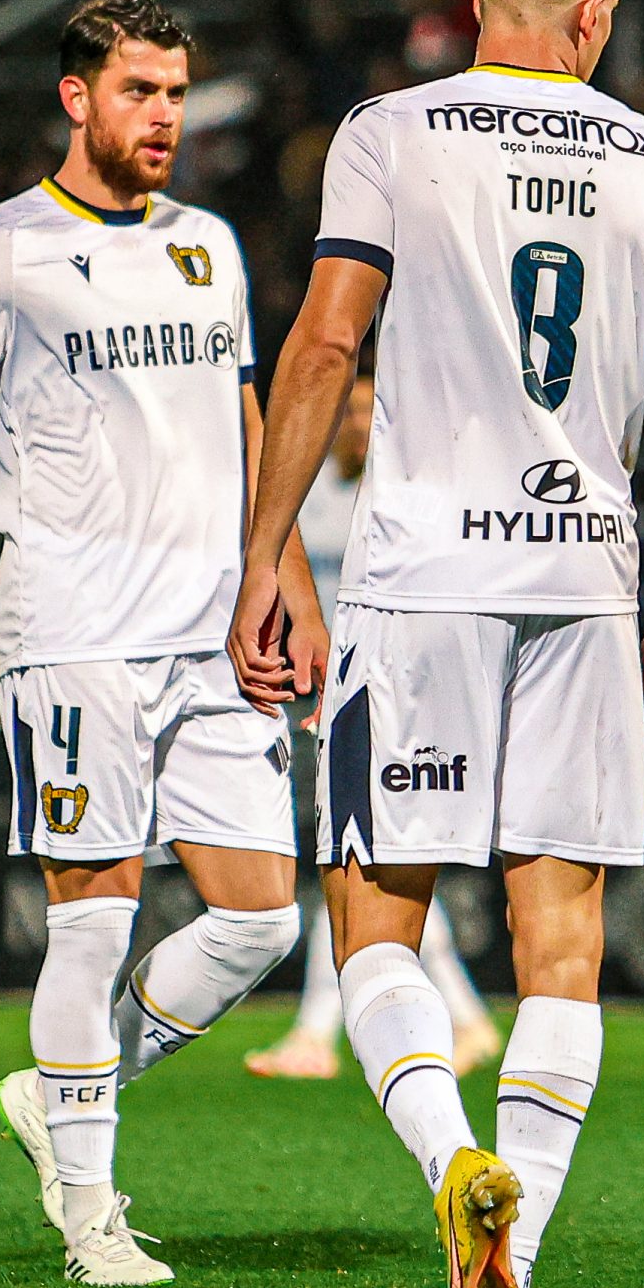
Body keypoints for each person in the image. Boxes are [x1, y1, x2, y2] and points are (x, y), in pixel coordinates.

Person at [230, 0, 644, 1288]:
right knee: (557, 940)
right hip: (583, 578)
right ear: (591, 14)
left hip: (421, 573)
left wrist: (266, 550)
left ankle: (456, 1167)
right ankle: (516, 1264)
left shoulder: (390, 132)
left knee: (377, 918)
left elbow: (326, 338)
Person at [0, 0, 326, 1288]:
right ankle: (89, 1215)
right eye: (139, 90)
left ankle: (68, 1088)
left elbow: (244, 426)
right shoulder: (6, 249)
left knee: (260, 918)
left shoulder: (211, 247)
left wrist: (285, 574)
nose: (164, 114)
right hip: (75, 629)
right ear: (77, 98)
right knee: (93, 921)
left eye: (177, 90)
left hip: (207, 630)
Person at [242, 375, 501, 1083]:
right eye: (347, 409)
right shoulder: (308, 490)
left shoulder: (409, 491)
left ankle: (314, 1032)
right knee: (376, 854)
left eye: (368, 408)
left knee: (354, 850)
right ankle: (469, 1017)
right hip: (320, 685)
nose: (357, 422)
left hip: (388, 687)